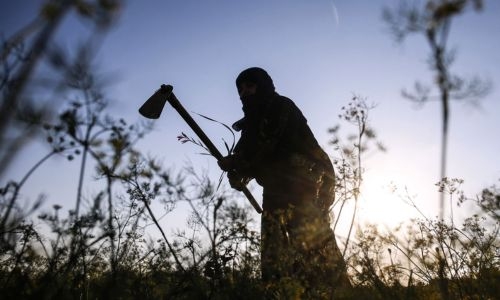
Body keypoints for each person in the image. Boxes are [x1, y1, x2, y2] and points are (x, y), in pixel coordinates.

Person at [218, 67, 351, 297]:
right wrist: (236, 174)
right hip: (273, 195)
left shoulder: (281, 107)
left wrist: (238, 163)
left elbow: (267, 147)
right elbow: (247, 157)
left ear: (262, 85)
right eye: (240, 88)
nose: (243, 92)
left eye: (249, 85)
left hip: (301, 191)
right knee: (275, 265)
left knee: (321, 260)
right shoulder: (251, 124)